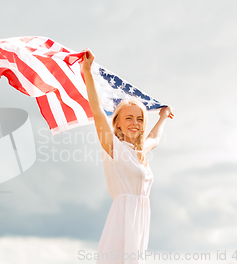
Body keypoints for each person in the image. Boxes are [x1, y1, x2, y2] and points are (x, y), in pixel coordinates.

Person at [81, 49, 174, 264]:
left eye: (140, 119)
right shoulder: (114, 147)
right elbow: (97, 112)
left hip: (140, 221)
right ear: (118, 122)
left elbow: (155, 139)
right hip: (123, 221)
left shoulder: (139, 152)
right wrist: (87, 72)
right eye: (129, 118)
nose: (135, 123)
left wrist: (163, 117)